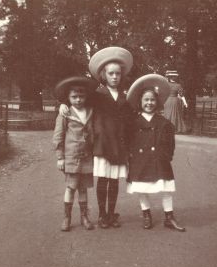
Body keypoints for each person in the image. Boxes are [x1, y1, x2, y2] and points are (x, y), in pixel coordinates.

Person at [59, 47, 134, 229]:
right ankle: (102, 215)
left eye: (117, 73)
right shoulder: (97, 95)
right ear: (103, 75)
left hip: (118, 144)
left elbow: (130, 122)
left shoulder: (126, 98)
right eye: (111, 73)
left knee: (114, 181)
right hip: (102, 143)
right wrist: (62, 103)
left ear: (121, 75)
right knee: (103, 180)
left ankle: (111, 214)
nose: (114, 77)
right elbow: (77, 99)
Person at [126, 74, 185, 232]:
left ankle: (169, 216)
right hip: (140, 160)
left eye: (152, 100)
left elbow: (170, 143)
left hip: (159, 160)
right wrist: (130, 157)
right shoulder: (134, 123)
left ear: (157, 102)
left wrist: (166, 156)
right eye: (146, 100)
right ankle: (146, 214)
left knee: (166, 188)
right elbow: (128, 142)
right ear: (140, 102)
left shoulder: (164, 123)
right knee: (142, 188)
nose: (149, 103)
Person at [52, 76, 98, 232]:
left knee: (83, 189)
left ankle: (84, 216)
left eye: (81, 96)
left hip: (87, 156)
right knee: (71, 187)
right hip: (72, 156)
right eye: (74, 97)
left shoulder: (91, 111)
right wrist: (60, 157)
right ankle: (67, 217)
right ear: (68, 98)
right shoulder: (65, 113)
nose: (78, 100)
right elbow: (58, 135)